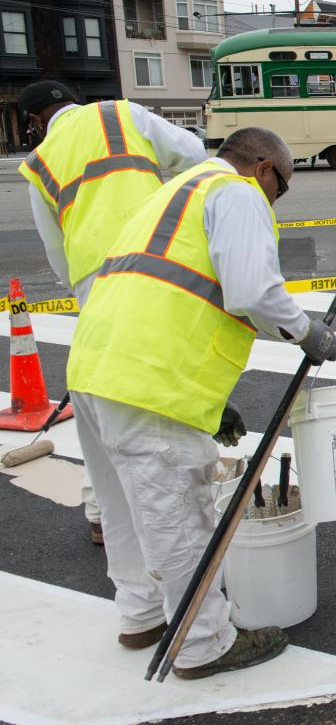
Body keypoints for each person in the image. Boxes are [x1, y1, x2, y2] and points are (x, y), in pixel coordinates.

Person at [64, 127, 336, 679]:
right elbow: (252, 291)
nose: (275, 201)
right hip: (150, 380)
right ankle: (203, 643)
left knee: (122, 506)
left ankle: (141, 615)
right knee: (176, 511)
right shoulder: (238, 192)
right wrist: (307, 332)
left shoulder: (175, 190)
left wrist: (210, 405)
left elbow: (168, 290)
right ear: (264, 167)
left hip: (96, 367)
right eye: (281, 188)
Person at [16, 80, 207, 546]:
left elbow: (55, 249)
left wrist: (81, 283)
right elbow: (195, 154)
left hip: (93, 283)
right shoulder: (122, 114)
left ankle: (101, 510)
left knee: (100, 390)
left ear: (35, 121)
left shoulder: (39, 161)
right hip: (156, 264)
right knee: (159, 381)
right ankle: (181, 504)